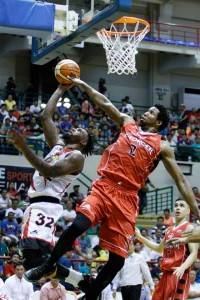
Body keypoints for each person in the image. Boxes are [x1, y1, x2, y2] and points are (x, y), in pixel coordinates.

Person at [23, 78, 200, 300]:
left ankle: (90, 295)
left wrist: (197, 210)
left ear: (159, 122)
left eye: (152, 113)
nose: (145, 113)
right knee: (78, 225)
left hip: (127, 198)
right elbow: (105, 103)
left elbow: (181, 181)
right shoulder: (128, 123)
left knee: (117, 260)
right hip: (105, 186)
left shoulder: (162, 146)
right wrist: (81, 83)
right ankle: (48, 265)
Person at [7, 84, 94, 272]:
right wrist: (61, 88)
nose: (74, 128)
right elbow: (46, 116)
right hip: (36, 205)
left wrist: (24, 148)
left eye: (79, 130)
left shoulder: (76, 157)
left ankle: (77, 278)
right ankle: (77, 278)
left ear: (83, 142)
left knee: (32, 260)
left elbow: (50, 171)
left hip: (46, 205)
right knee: (34, 261)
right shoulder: (57, 146)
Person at [135, 197, 199, 300]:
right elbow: (159, 249)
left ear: (188, 211)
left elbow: (194, 253)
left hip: (179, 273)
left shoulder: (189, 228)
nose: (178, 208)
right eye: (176, 205)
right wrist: (140, 237)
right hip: (166, 274)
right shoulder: (169, 229)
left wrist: (182, 268)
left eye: (182, 206)